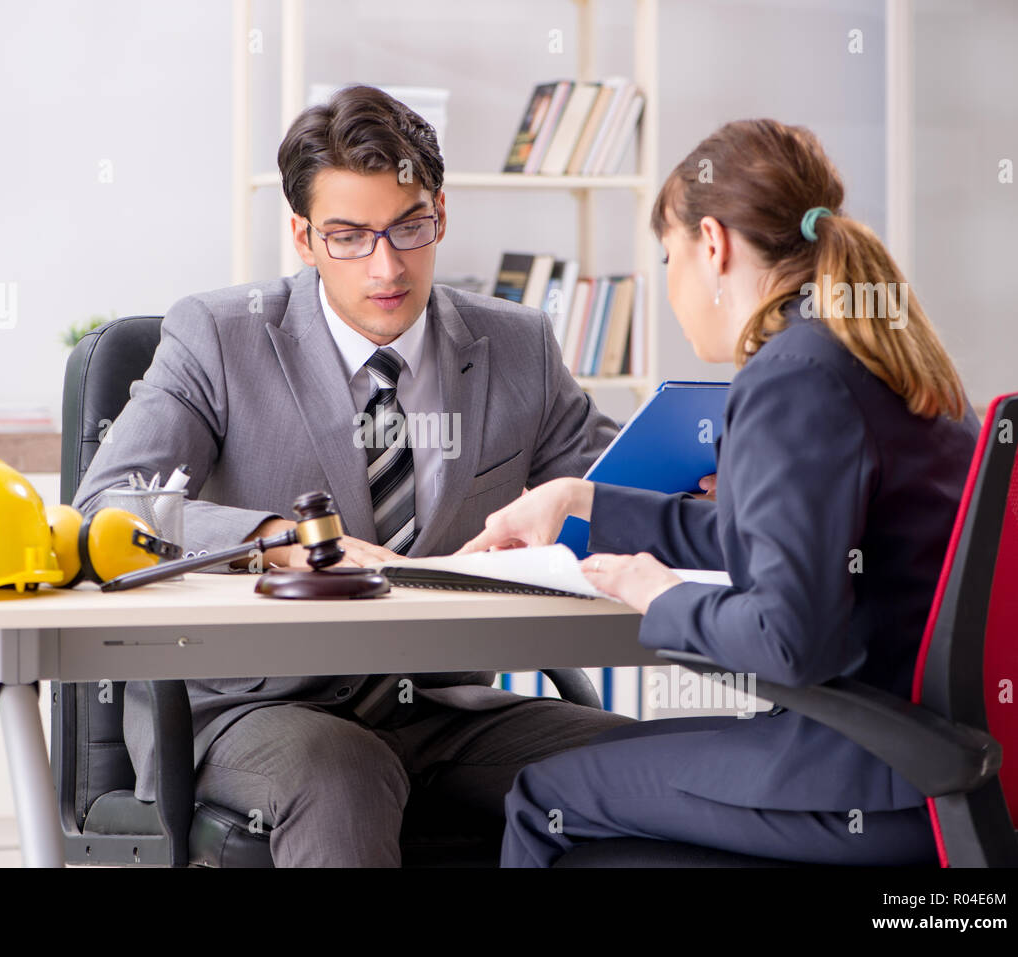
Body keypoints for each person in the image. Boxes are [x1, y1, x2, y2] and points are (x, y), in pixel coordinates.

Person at [73, 84, 631, 866]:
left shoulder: (518, 346)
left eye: (410, 227)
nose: (387, 264)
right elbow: (109, 505)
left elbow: (619, 493)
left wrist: (705, 487)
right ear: (303, 237)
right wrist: (273, 541)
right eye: (349, 236)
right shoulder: (219, 337)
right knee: (346, 771)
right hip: (252, 705)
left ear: (441, 212)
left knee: (642, 770)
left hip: (442, 700)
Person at [458, 118, 981, 867]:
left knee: (544, 795)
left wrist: (658, 593)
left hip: (869, 775)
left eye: (668, 257)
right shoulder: (888, 355)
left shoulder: (793, 378)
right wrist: (583, 499)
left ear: (713, 244)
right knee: (617, 759)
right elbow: (791, 549)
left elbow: (789, 639)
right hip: (949, 762)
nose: (671, 285)